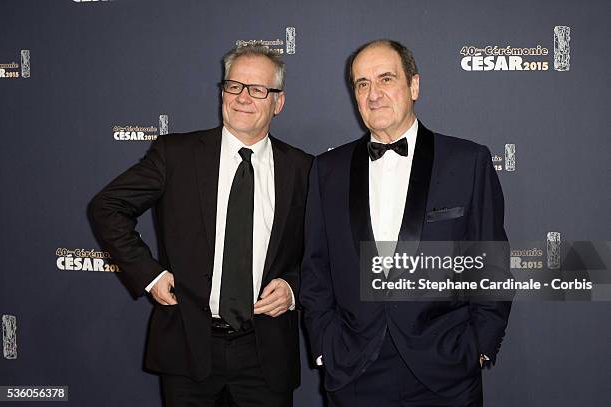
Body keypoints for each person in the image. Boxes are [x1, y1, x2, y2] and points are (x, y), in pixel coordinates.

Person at [90, 45, 312, 407]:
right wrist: (150, 274)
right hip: (187, 348)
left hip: (266, 353)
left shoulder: (303, 169)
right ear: (222, 91)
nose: (243, 98)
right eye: (234, 86)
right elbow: (108, 206)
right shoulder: (175, 154)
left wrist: (293, 287)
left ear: (278, 102)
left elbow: (324, 250)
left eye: (257, 89)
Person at [300, 39, 511, 406]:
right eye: (362, 83)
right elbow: (316, 269)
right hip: (353, 371)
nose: (373, 94)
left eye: (385, 79)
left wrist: (479, 346)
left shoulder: (467, 162)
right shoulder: (327, 170)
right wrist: (325, 346)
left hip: (445, 371)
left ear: (413, 86)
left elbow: (491, 265)